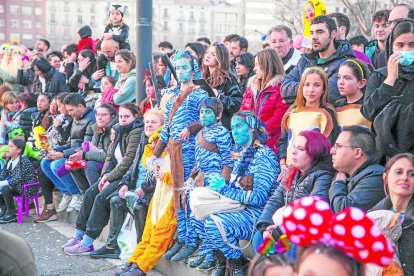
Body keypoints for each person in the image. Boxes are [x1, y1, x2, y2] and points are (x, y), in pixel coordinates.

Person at [146, 52, 208, 261]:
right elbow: (166, 129)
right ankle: (182, 237)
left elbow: (206, 119)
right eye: (178, 68)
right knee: (176, 195)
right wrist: (155, 155)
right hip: (173, 150)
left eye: (185, 68)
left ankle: (192, 240)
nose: (181, 72)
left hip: (190, 150)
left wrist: (191, 128)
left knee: (187, 194)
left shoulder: (199, 94)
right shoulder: (171, 96)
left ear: (193, 70)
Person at [203, 111, 279, 276]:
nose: (235, 132)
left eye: (239, 126)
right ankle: (223, 261)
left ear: (252, 129)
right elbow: (237, 190)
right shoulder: (241, 154)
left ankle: (239, 263)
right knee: (201, 213)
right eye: (232, 128)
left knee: (212, 223)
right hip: (242, 208)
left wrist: (224, 188)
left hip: (258, 215)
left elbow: (259, 199)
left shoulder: (263, 157)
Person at [63, 103, 143, 256]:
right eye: (121, 116)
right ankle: (78, 236)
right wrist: (103, 176)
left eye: (127, 116)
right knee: (89, 194)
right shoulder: (119, 130)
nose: (123, 119)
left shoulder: (136, 131)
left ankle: (87, 243)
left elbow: (128, 161)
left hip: (127, 177)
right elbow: (110, 157)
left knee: (101, 198)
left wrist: (109, 177)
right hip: (115, 174)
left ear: (135, 117)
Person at [94, 109, 163, 260]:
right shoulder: (144, 140)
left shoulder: (162, 144)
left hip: (153, 191)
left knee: (139, 206)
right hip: (135, 188)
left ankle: (139, 249)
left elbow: (161, 173)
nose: (149, 125)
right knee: (116, 200)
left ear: (161, 125)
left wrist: (144, 189)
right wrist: (124, 184)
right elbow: (133, 167)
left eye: (154, 122)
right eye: (147, 122)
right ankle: (112, 246)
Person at [257, 130, 335, 243]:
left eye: (301, 149)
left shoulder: (324, 175)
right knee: (260, 239)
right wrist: (265, 226)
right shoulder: (292, 170)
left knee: (275, 245)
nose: (293, 152)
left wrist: (279, 231)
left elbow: (312, 211)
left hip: (306, 232)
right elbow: (275, 200)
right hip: (285, 225)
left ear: (315, 153)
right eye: (294, 147)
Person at [185, 98, 233, 270]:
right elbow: (199, 159)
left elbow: (227, 158)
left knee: (208, 218)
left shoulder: (222, 133)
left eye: (208, 112)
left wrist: (223, 182)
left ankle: (216, 256)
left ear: (218, 115)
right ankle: (206, 251)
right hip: (201, 180)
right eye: (202, 112)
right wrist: (192, 176)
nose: (204, 116)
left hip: (214, 180)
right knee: (195, 217)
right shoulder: (200, 133)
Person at [362, 20, 414, 162]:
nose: (406, 50)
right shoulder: (379, 76)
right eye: (400, 45)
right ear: (391, 46)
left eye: (412, 45)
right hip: (384, 157)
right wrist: (390, 80)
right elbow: (368, 111)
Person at [40, 94, 95, 213]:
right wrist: (56, 150)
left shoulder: (91, 119)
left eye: (71, 110)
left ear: (80, 106)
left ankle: (77, 194)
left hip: (83, 156)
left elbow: (86, 146)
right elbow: (71, 142)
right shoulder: (76, 118)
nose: (69, 113)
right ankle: (67, 193)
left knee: (56, 165)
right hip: (72, 153)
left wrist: (63, 154)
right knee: (45, 162)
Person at [282, 15, 355, 104]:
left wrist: (300, 92)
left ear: (333, 34)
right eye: (312, 33)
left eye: (320, 32)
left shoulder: (346, 63)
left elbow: (330, 94)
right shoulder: (305, 60)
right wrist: (314, 88)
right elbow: (284, 88)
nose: (314, 37)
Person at [278, 67, 338, 171]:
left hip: (312, 172)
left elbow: (327, 147)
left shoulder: (326, 113)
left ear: (324, 89)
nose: (311, 90)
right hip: (288, 170)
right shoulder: (293, 111)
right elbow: (284, 140)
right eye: (307, 85)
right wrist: (283, 163)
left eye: (317, 85)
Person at [370, 153, 414, 275]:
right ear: (386, 177)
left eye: (412, 174)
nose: (405, 177)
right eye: (399, 172)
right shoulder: (372, 217)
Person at [241, 49, 289, 155]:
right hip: (249, 142)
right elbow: (243, 112)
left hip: (270, 145)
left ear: (268, 65)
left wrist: (257, 131)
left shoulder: (281, 88)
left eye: (258, 65)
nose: (254, 69)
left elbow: (278, 119)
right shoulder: (251, 86)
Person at [329, 126, 385, 213]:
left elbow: (346, 213)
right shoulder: (342, 175)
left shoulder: (375, 175)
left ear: (357, 152)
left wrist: (338, 184)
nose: (332, 151)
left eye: (339, 146)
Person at [69, 104, 118, 194]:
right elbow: (92, 147)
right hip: (99, 159)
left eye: (103, 115)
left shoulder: (114, 130)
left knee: (90, 165)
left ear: (112, 116)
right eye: (97, 114)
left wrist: (85, 155)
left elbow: (109, 156)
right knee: (74, 164)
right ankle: (84, 194)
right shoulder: (97, 128)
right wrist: (81, 155)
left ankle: (96, 195)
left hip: (112, 164)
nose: (99, 117)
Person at [202, 43, 242, 130]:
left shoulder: (229, 79)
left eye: (213, 54)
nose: (208, 56)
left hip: (222, 129)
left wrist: (219, 96)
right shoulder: (203, 78)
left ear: (220, 59)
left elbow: (237, 104)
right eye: (207, 52)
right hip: (204, 128)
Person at [0, 139, 37, 223]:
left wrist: (4, 183)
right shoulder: (10, 160)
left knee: (5, 188)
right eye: (8, 146)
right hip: (18, 186)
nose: (7, 148)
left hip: (27, 187)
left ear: (19, 150)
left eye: (11, 146)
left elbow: (20, 178)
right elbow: (3, 174)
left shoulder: (24, 161)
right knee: (3, 187)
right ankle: (4, 210)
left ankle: (12, 214)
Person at [335, 59, 371, 129]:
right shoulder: (337, 106)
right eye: (339, 77)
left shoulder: (369, 107)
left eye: (347, 78)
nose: (340, 82)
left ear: (361, 83)